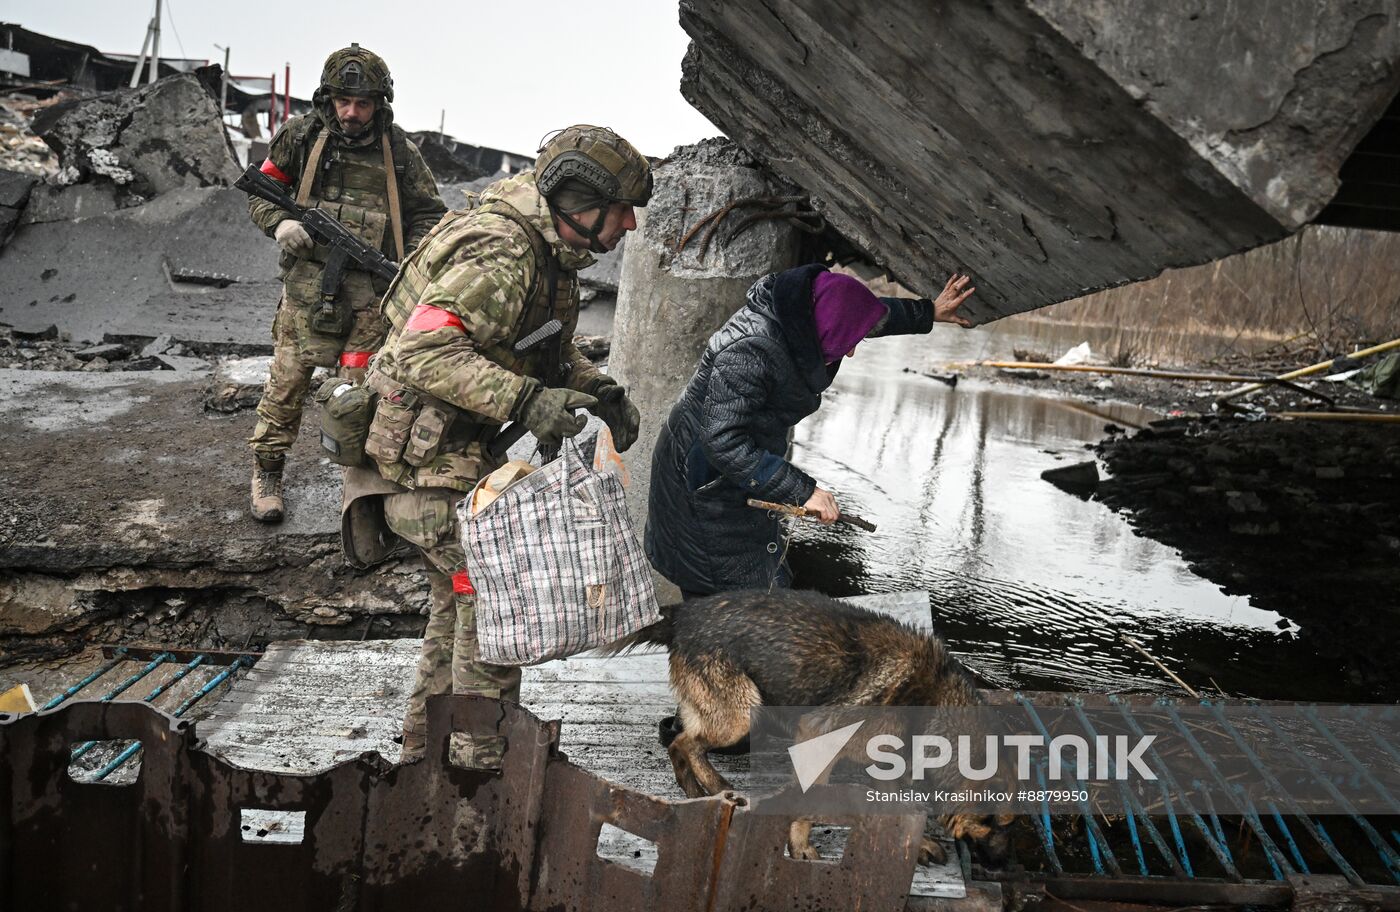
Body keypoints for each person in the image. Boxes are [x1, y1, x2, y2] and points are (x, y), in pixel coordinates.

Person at [356, 125, 650, 760]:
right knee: (497, 604)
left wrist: (596, 389)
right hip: (424, 469)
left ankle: (423, 753)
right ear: (575, 196)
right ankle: (481, 774)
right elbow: (423, 350)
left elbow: (541, 338)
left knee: (454, 605)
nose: (628, 223)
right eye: (620, 207)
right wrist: (526, 401)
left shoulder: (545, 249)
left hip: (449, 458)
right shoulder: (503, 250)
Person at [646, 264, 975, 598]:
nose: (851, 351)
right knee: (736, 595)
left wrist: (928, 312)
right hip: (701, 480)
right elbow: (721, 440)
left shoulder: (803, 313)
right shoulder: (750, 351)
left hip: (736, 470)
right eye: (847, 342)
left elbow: (861, 314)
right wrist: (803, 491)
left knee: (759, 587)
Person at [246, 44, 446, 523]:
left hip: (371, 305)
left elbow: (429, 214)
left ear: (380, 103)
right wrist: (279, 224)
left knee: (362, 400)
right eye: (343, 101)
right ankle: (268, 471)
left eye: (362, 104)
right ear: (327, 98)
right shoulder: (300, 136)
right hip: (305, 294)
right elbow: (259, 190)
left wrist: (407, 260)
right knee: (286, 387)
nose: (351, 113)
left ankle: (361, 496)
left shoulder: (400, 151)